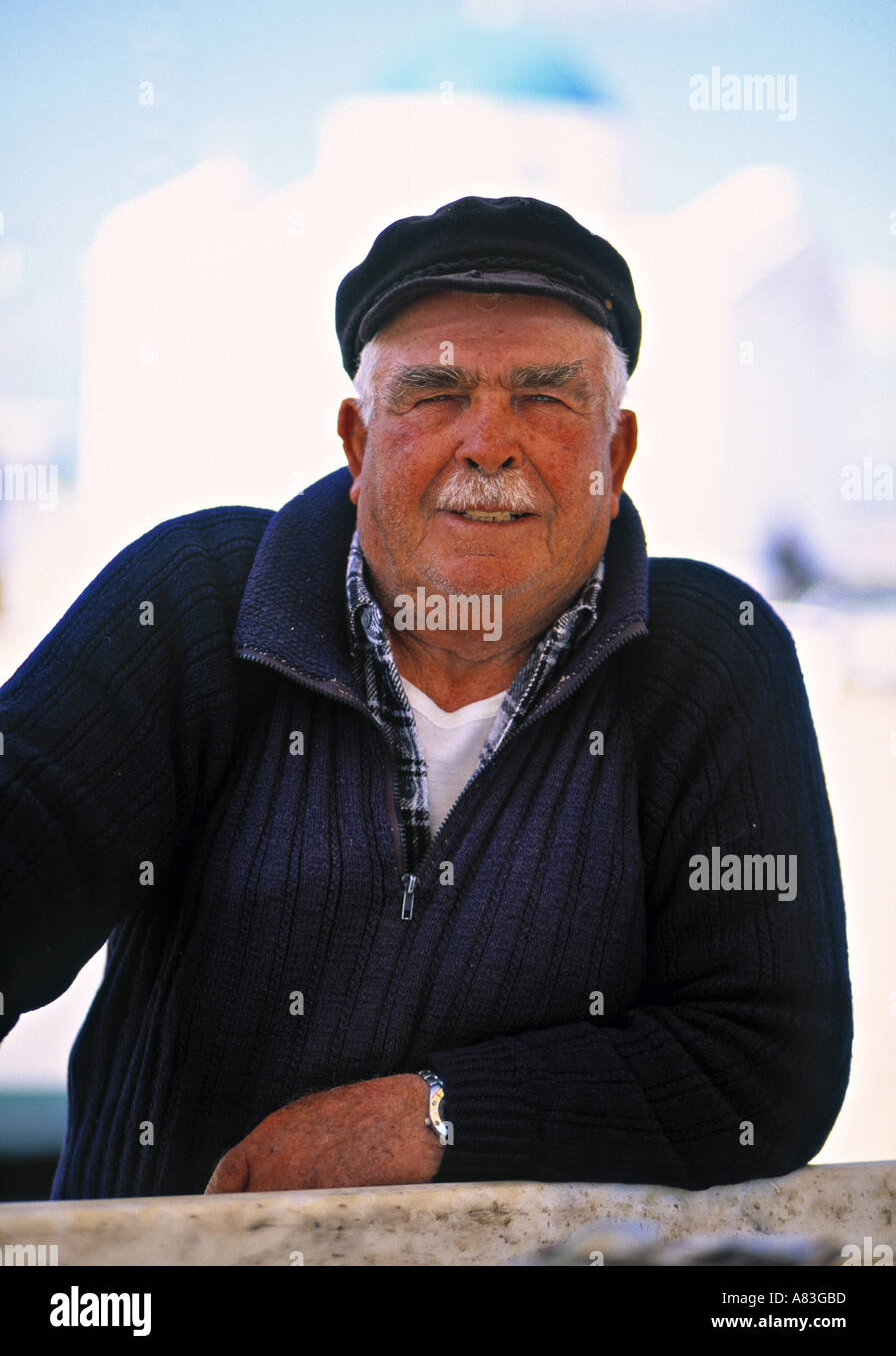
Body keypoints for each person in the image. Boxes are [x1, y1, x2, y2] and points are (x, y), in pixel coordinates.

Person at [0, 196, 852, 1199]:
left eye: (543, 395)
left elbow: (764, 1063)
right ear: (358, 445)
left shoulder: (711, 659)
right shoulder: (193, 602)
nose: (488, 443)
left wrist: (437, 1114)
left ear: (612, 458)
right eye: (435, 392)